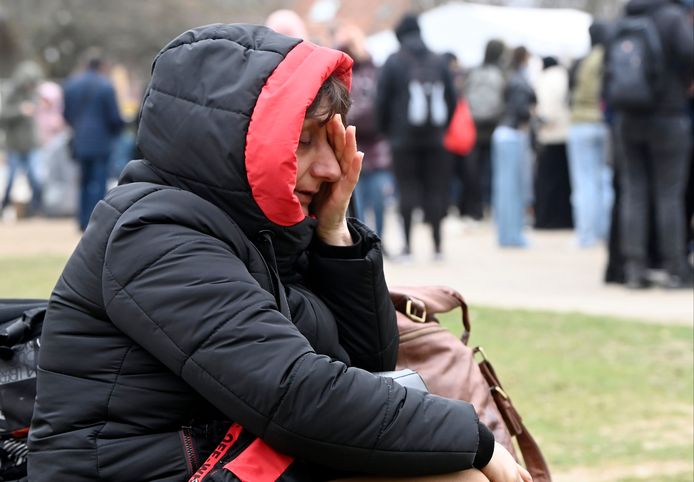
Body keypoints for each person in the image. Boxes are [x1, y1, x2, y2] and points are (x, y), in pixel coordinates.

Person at [28, 24, 530, 482]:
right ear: (238, 142)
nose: (333, 167)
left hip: (222, 454)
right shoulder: (155, 234)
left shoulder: (261, 227)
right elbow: (295, 395)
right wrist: (476, 440)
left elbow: (367, 363)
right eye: (306, 140)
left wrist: (335, 234)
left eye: (331, 139)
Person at [607, 0, 694, 288]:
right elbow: (690, 52)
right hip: (668, 115)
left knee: (634, 193)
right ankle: (674, 268)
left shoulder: (624, 18)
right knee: (669, 194)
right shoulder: (671, 17)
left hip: (627, 117)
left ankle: (635, 268)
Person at [376, 13, 457, 260]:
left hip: (403, 140)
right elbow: (452, 100)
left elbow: (381, 102)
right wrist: (442, 129)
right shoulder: (439, 60)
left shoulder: (394, 61)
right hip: (435, 139)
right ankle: (438, 246)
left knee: (407, 190)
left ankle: (408, 247)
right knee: (436, 190)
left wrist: (387, 132)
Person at [334, 22, 393, 240]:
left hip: (376, 146)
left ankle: (377, 240)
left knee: (378, 199)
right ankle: (362, 239)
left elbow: (379, 106)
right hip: (351, 144)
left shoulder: (373, 71)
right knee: (355, 201)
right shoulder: (337, 74)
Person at [62, 48, 124, 231]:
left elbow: (66, 114)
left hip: (80, 139)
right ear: (101, 65)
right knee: (99, 182)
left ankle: (81, 221)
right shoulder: (105, 85)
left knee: (83, 181)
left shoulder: (72, 84)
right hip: (102, 141)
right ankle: (95, 223)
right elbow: (114, 117)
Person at [567, 21, 613, 247]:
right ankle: (607, 232)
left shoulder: (582, 61)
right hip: (603, 123)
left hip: (580, 123)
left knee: (583, 182)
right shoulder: (610, 57)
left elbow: (570, 91)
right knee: (605, 179)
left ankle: (586, 235)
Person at [490, 46, 536, 247]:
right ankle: (512, 235)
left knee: (504, 187)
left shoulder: (509, 77)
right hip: (513, 134)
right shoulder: (520, 80)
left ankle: (506, 233)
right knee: (512, 187)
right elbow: (521, 110)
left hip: (504, 133)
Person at [464, 39, 507, 217]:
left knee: (474, 170)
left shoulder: (474, 72)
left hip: (473, 126)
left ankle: (476, 208)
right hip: (493, 127)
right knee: (493, 169)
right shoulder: (500, 73)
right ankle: (492, 205)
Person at [533, 56, 573, 230]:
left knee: (547, 182)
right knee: (564, 182)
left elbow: (545, 109)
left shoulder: (544, 79)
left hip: (549, 135)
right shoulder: (565, 75)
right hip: (567, 134)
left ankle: (546, 220)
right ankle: (565, 219)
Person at [0, 60, 43, 216]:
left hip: (32, 143)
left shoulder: (32, 93)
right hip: (14, 144)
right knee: (10, 179)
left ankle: (36, 208)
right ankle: (4, 206)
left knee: (36, 178)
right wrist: (20, 110)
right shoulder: (10, 92)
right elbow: (2, 116)